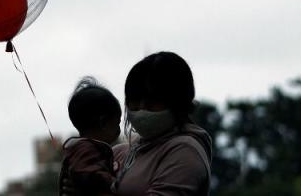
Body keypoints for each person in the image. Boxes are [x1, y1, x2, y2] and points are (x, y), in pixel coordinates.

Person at [63, 51, 212, 196]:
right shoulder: (117, 153)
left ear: (177, 101)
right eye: (134, 100)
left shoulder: (184, 151)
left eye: (152, 101)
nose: (141, 109)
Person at [59, 77, 123, 195]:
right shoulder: (85, 149)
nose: (119, 130)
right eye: (117, 123)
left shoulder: (84, 148)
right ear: (103, 123)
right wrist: (117, 184)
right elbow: (90, 175)